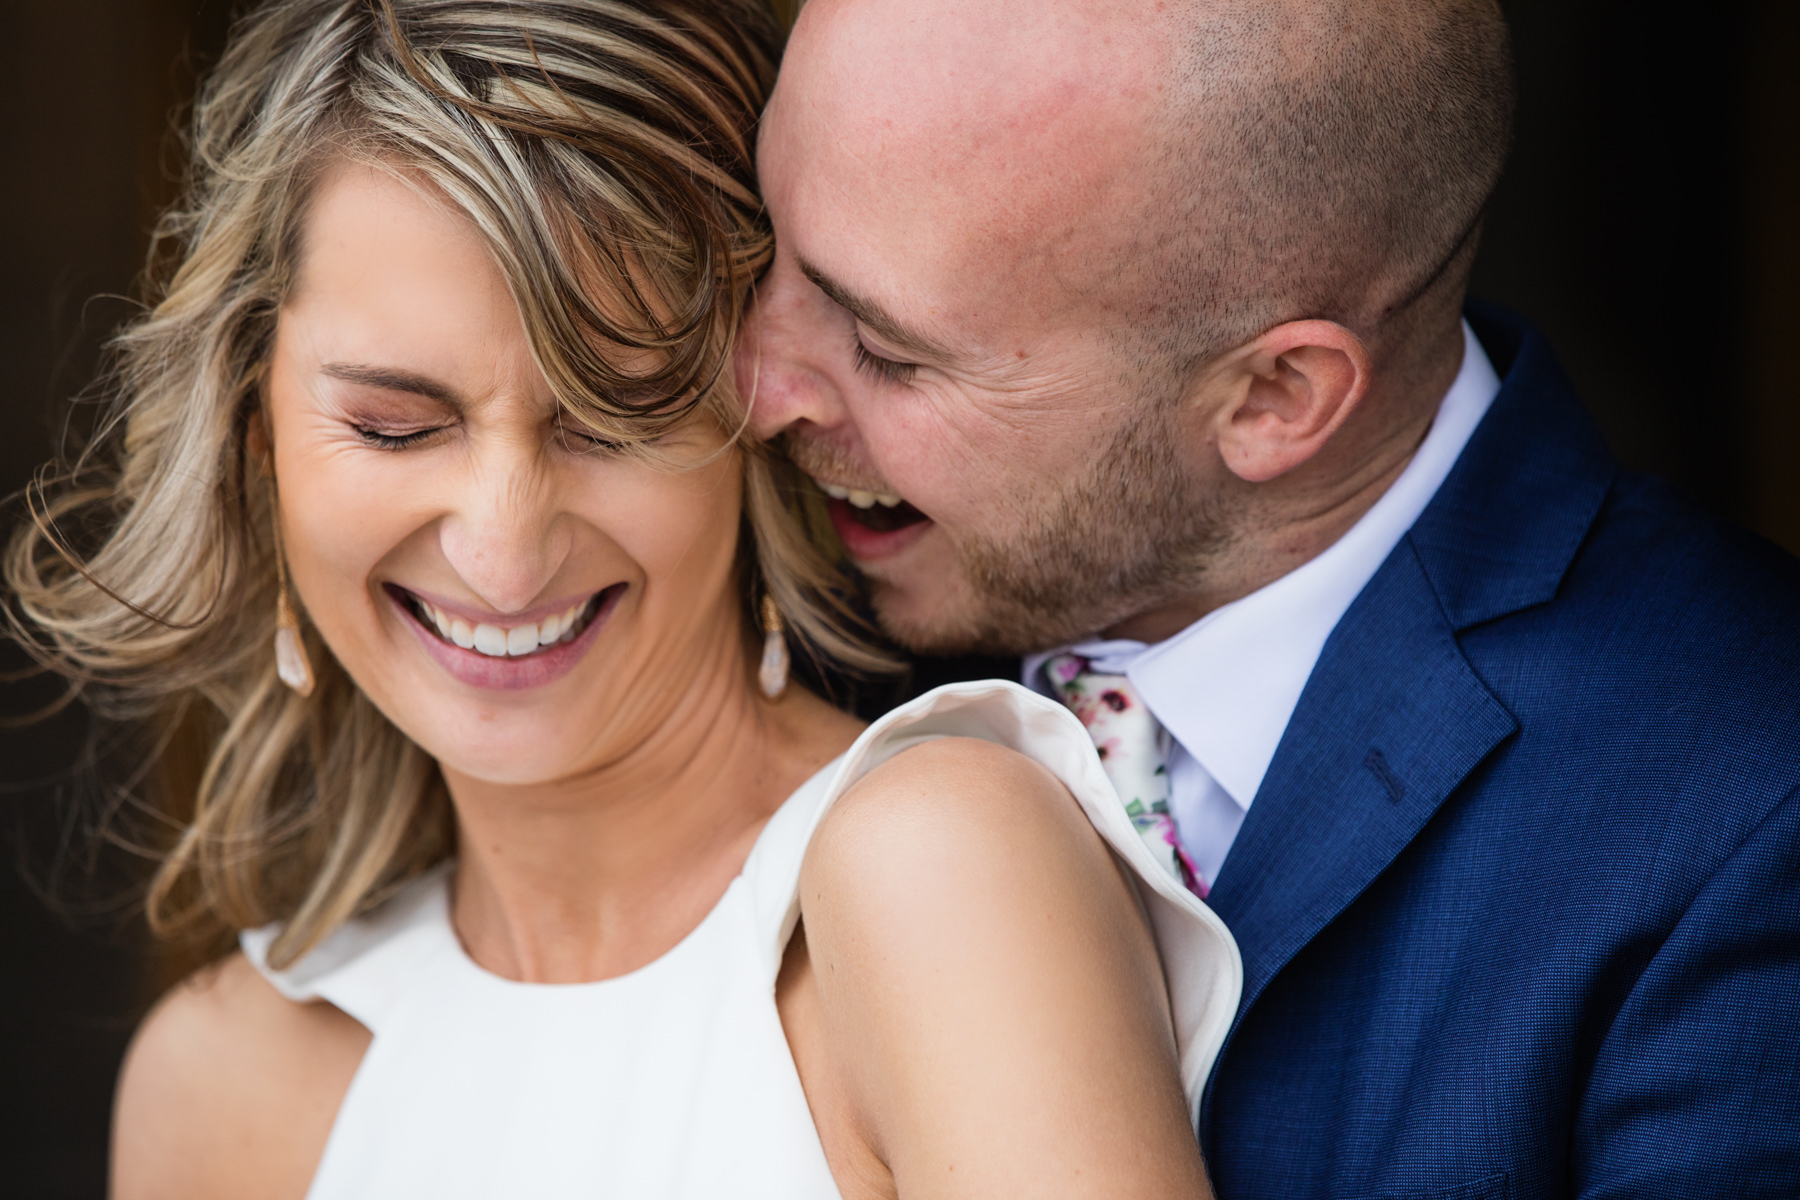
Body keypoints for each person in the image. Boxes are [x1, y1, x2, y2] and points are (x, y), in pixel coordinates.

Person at [4, 2, 1242, 1197]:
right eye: (395, 427)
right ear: (257, 439)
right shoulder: (214, 1083)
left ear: (749, 428)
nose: (502, 550)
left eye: (613, 419)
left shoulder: (937, 865)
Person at [740, 1, 1800, 1197]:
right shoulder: (726, 623)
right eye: (758, 239)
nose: (753, 386)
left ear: (1275, 398)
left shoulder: (1751, 813)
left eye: (886, 348)